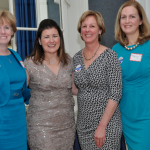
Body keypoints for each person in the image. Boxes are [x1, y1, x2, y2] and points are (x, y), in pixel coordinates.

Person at [72, 10, 122, 150]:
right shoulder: (76, 58)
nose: (87, 30)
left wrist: (102, 126)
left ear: (100, 30)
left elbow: (116, 93)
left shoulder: (110, 56)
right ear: (80, 30)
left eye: (92, 26)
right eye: (84, 26)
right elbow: (76, 89)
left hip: (107, 125)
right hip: (83, 126)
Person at [24, 19, 75, 150]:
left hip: (67, 127)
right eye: (46, 37)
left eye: (55, 36)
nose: (51, 41)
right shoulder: (30, 64)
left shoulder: (69, 62)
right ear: (39, 41)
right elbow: (18, 88)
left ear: (60, 38)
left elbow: (76, 89)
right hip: (41, 128)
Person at [113, 1, 150, 150]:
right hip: (124, 115)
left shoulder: (148, 45)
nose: (127, 21)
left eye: (132, 16)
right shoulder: (115, 49)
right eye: (123, 17)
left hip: (145, 115)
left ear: (141, 21)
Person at [0, 10, 28, 149]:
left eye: (6, 27)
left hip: (19, 118)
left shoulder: (16, 55)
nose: (2, 32)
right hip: (2, 120)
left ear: (12, 31)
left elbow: (24, 87)